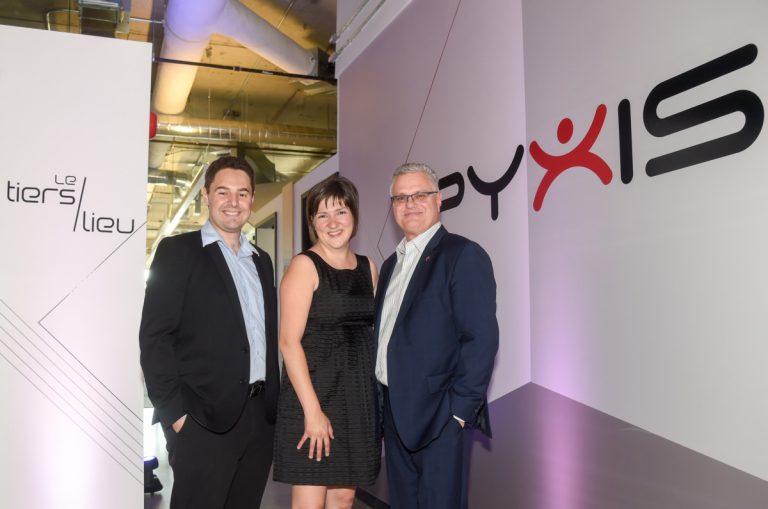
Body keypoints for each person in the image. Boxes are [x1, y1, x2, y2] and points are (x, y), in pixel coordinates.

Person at [139, 155, 278, 509]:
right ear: (206, 195)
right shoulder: (178, 252)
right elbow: (155, 338)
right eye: (223, 192)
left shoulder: (262, 261)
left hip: (258, 420)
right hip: (202, 421)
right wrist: (176, 416)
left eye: (243, 193)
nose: (233, 202)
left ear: (251, 200)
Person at [374, 163, 499, 509]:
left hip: (441, 419)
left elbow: (481, 338)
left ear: (438, 199)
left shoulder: (462, 254)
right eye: (400, 197)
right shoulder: (390, 266)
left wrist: (459, 412)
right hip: (396, 416)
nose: (409, 203)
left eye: (419, 194)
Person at [273, 175, 381, 508]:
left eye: (341, 212)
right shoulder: (304, 266)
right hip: (314, 396)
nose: (333, 223)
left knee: (345, 497)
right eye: (322, 215)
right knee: (310, 496)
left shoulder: (369, 267)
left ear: (355, 217)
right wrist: (312, 411)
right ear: (313, 224)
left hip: (356, 397)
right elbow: (289, 342)